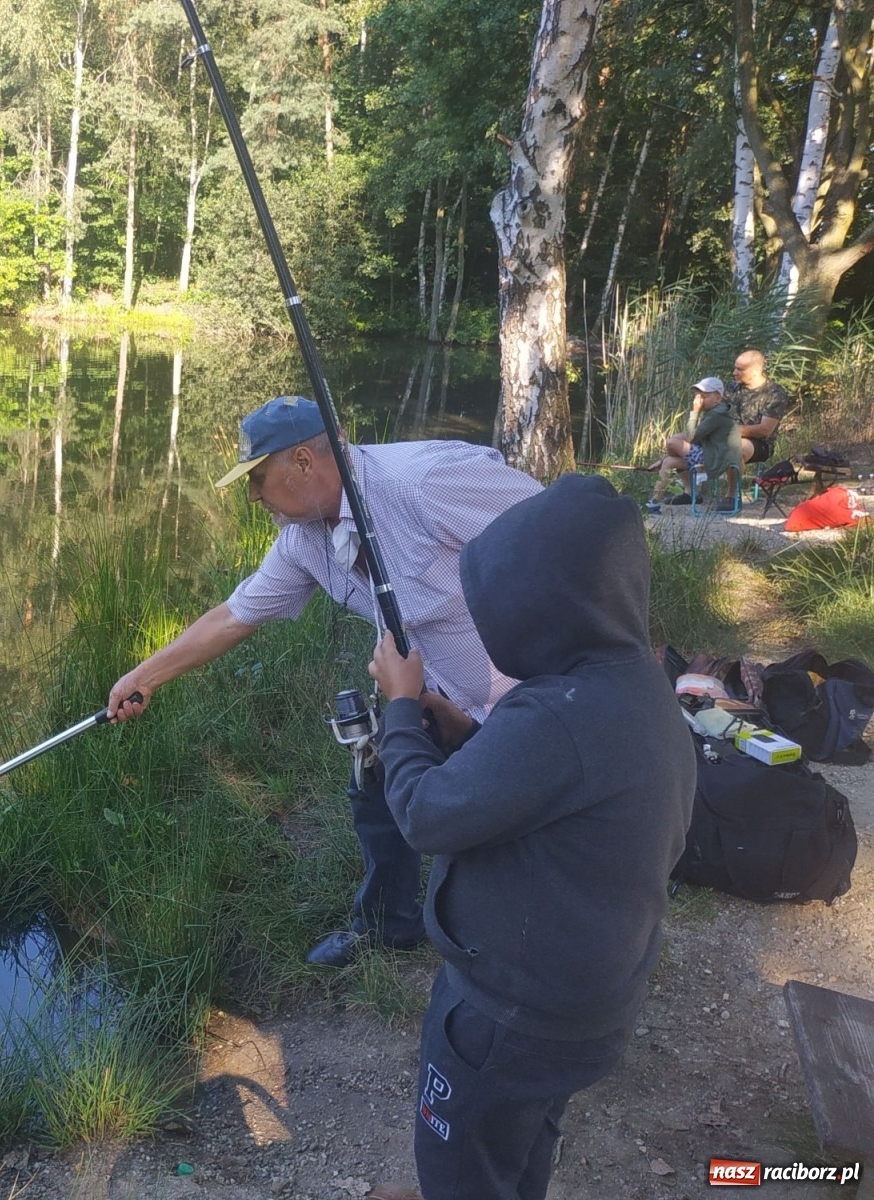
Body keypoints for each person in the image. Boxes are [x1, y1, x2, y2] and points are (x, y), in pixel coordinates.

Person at [106, 395, 542, 968]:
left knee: (514, 832)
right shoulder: (306, 539)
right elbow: (235, 615)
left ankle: (518, 930)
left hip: (526, 694)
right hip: (435, 694)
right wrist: (145, 677)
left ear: (305, 462)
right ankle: (389, 925)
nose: (255, 496)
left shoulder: (422, 482)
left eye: (259, 479)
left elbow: (557, 535)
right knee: (375, 777)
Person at [367, 473, 694, 1200]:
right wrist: (464, 735)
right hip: (587, 1008)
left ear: (543, 611)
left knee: (460, 1171)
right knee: (519, 1148)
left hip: (506, 1020)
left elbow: (424, 815)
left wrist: (398, 710)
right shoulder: (640, 688)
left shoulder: (553, 718)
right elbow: (561, 793)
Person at [648, 349, 788, 505]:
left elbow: (764, 430)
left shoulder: (774, 393)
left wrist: (726, 432)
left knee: (736, 447)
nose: (734, 372)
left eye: (740, 369)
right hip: (719, 437)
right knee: (675, 440)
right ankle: (690, 492)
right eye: (735, 367)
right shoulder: (731, 387)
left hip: (756, 443)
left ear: (756, 370)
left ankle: (732, 496)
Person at [646, 377, 740, 512]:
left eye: (704, 396)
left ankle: (660, 499)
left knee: (672, 442)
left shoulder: (718, 414)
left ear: (718, 397)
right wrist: (663, 460)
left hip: (717, 460)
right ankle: (658, 500)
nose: (699, 400)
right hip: (712, 452)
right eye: (698, 396)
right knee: (671, 459)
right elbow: (696, 438)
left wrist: (694, 412)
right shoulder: (715, 411)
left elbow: (692, 436)